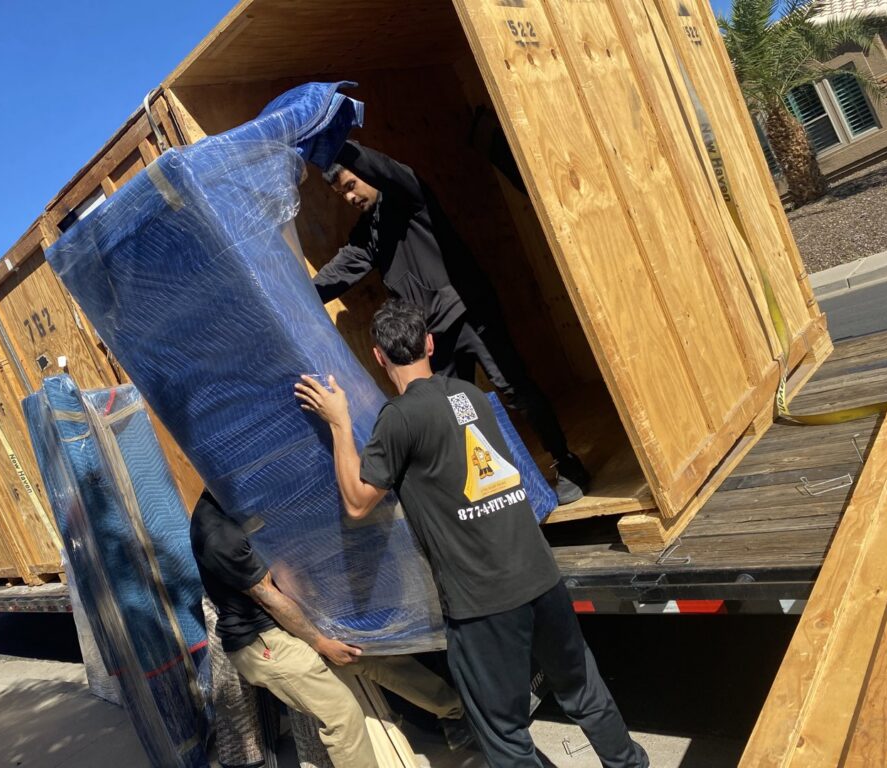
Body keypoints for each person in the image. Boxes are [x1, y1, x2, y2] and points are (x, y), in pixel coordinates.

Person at [295, 300, 649, 768]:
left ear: (379, 357)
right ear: (429, 342)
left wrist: (340, 422)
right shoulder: (472, 396)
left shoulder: (399, 418)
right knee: (583, 689)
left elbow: (359, 502)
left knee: (504, 734)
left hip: (484, 602)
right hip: (540, 576)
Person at [312, 140, 590, 505]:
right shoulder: (369, 234)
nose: (348, 197)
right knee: (460, 413)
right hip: (434, 336)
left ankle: (567, 463)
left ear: (368, 174)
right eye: (340, 193)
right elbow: (343, 269)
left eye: (351, 185)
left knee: (516, 389)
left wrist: (334, 140)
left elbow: (381, 166)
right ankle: (501, 489)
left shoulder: (408, 193)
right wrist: (299, 293)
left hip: (471, 314)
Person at [189, 490, 471, 768]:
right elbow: (268, 597)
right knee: (342, 714)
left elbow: (282, 568)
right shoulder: (217, 532)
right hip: (263, 641)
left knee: (375, 656)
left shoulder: (243, 499)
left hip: (289, 620)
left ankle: (458, 714)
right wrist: (321, 642)